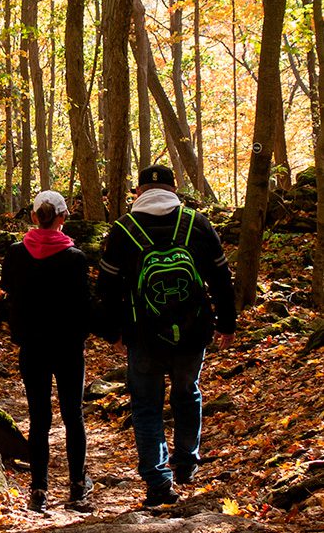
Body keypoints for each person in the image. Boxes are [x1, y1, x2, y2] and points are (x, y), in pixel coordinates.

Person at [97, 164, 236, 507]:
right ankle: (187, 463)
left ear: (139, 192)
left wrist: (111, 331)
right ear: (175, 189)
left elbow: (106, 289)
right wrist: (226, 323)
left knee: (146, 405)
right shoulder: (198, 224)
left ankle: (158, 482)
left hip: (142, 335)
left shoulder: (123, 231)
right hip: (193, 331)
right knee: (187, 392)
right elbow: (221, 278)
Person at [1, 190, 93, 513]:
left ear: (33, 217)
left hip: (32, 347)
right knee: (73, 416)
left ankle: (38, 490)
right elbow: (85, 307)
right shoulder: (76, 258)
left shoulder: (14, 255)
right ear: (63, 218)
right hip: (68, 348)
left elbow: (9, 295)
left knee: (39, 418)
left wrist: (19, 334)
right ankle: (77, 489)